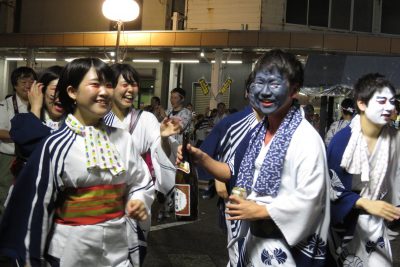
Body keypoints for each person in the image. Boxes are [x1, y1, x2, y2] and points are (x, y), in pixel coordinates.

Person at [177, 49, 330, 266]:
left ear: (294, 90)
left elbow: (311, 201)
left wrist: (261, 210)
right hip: (253, 240)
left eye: (275, 84)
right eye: (259, 83)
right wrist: (201, 158)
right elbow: (231, 171)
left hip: (285, 248)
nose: (265, 92)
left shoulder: (306, 139)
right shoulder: (259, 132)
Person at [0, 58, 154, 267]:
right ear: (72, 92)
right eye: (95, 84)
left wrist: (138, 200)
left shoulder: (124, 139)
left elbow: (142, 181)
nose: (104, 92)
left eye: (108, 85)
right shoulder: (54, 146)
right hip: (70, 254)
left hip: (118, 251)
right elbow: (36, 212)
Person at [103, 63, 181, 262]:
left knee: (132, 255)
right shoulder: (97, 118)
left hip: (135, 195)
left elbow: (160, 153)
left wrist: (164, 138)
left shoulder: (146, 119)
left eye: (134, 84)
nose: (130, 90)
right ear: (109, 86)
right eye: (125, 84)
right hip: (102, 196)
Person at [327, 73, 400, 267]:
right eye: (381, 101)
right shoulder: (342, 142)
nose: (389, 107)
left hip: (380, 222)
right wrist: (364, 203)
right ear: (362, 104)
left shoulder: (395, 138)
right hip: (347, 226)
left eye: (392, 101)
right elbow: (331, 192)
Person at [198, 104, 260, 266]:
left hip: (270, 202)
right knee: (238, 248)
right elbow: (211, 151)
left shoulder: (281, 124)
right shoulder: (233, 122)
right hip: (238, 193)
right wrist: (218, 179)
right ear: (248, 92)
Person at [9, 66, 65, 177]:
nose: (61, 96)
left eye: (65, 90)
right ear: (41, 91)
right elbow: (28, 147)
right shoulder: (20, 121)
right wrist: (35, 106)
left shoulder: (76, 122)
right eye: (55, 89)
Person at [0, 66, 36, 215]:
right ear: (15, 85)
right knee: (5, 193)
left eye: (31, 82)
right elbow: (0, 132)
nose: (28, 85)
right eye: (23, 82)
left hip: (32, 157)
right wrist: (23, 135)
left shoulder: (38, 104)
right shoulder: (5, 105)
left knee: (29, 195)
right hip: (10, 158)